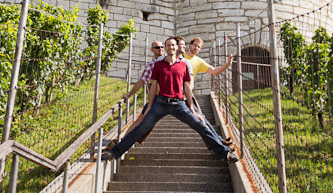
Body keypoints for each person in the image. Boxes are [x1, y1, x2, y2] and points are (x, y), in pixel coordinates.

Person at [102, 37, 238, 163]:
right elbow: (154, 86)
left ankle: (225, 154)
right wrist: (149, 106)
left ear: (176, 47)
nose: (171, 47)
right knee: (141, 128)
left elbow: (187, 88)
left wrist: (192, 108)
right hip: (161, 103)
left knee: (201, 125)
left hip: (179, 104)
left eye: (173, 45)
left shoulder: (183, 65)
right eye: (168, 45)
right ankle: (114, 153)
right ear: (166, 48)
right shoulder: (158, 65)